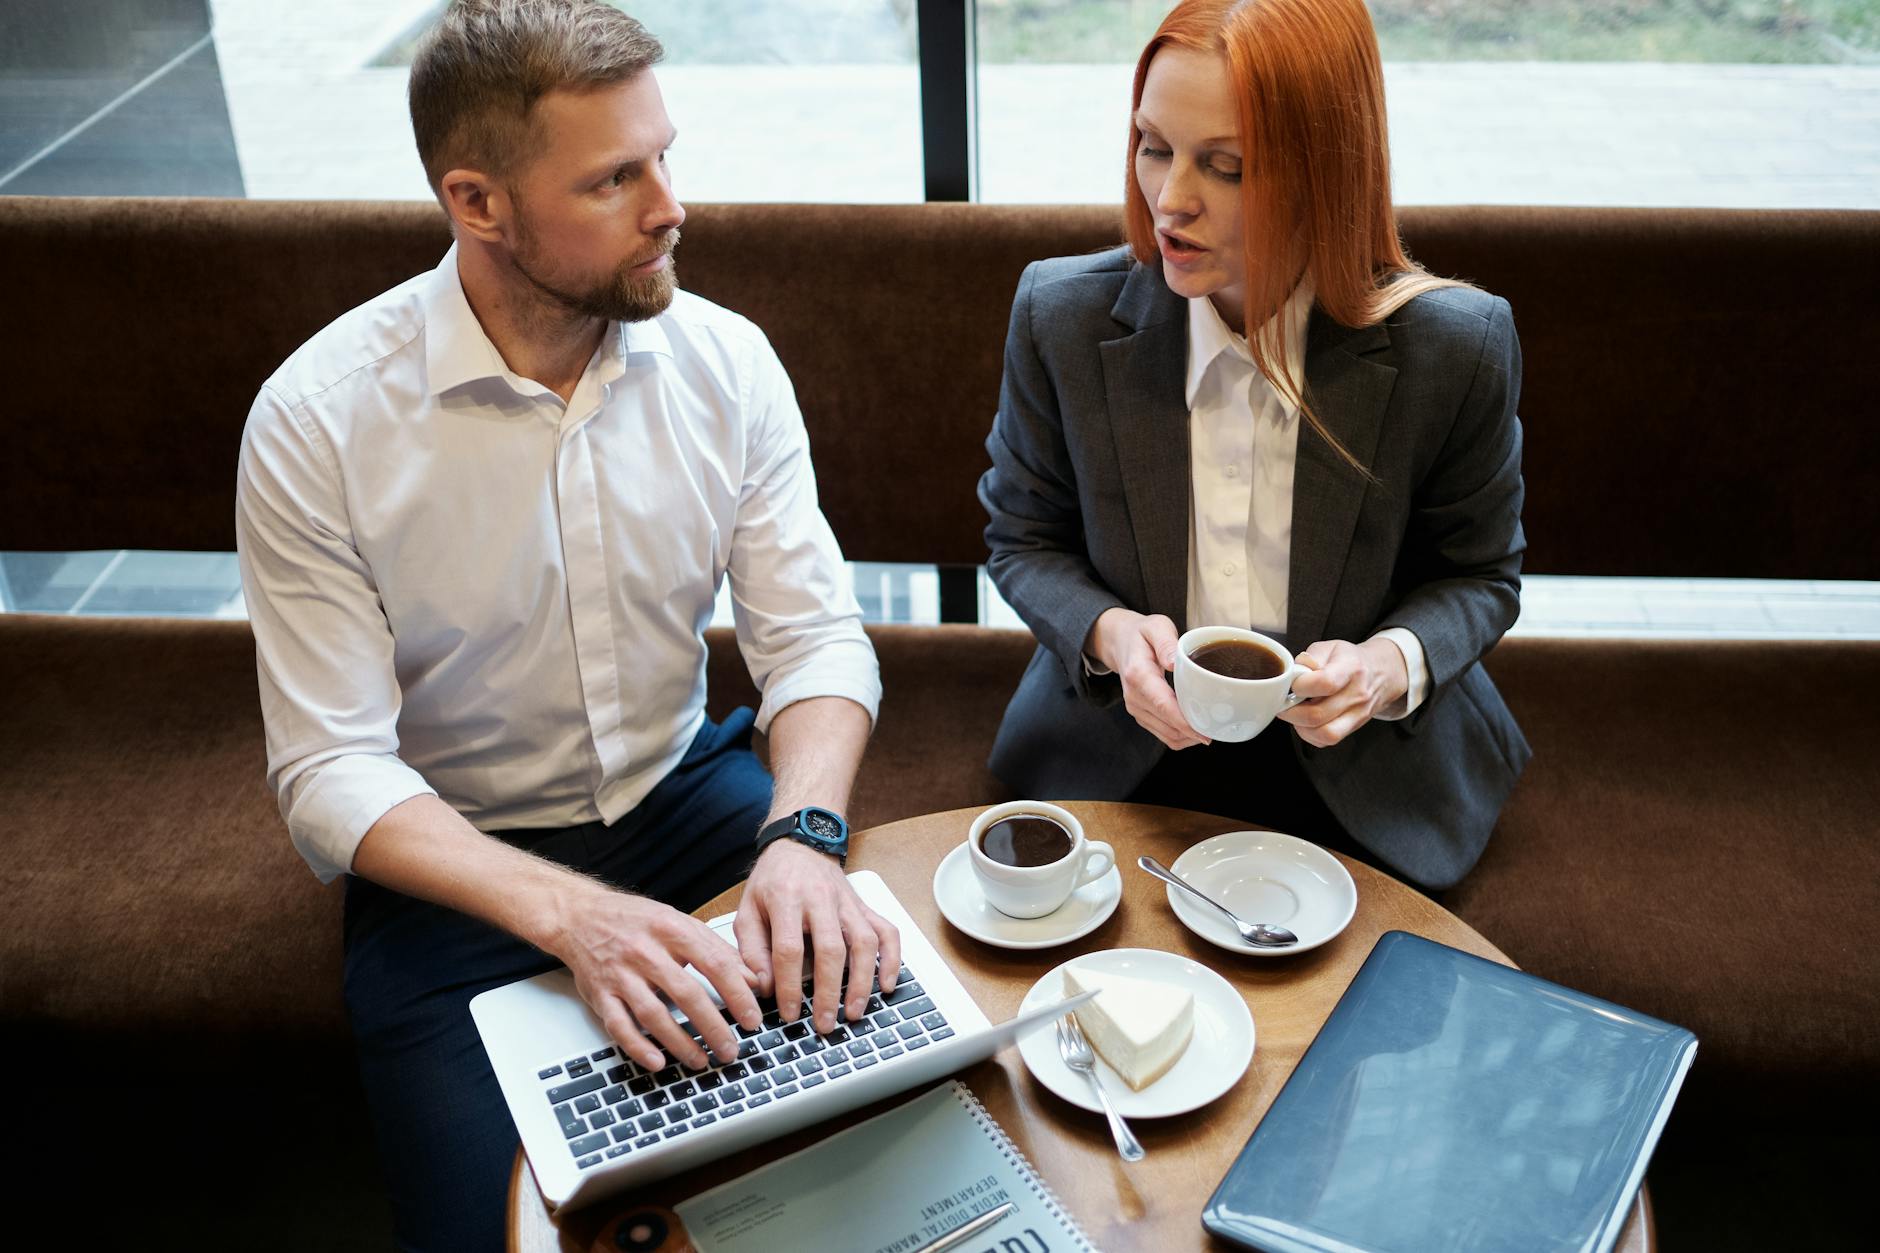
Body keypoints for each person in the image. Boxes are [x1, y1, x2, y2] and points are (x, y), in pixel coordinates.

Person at [234, 3, 895, 1248]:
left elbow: (811, 639)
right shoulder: (316, 421)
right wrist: (567, 916)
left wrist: (802, 832)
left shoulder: (728, 362)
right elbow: (327, 768)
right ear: (477, 203)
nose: (669, 206)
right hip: (460, 873)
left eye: (664, 156)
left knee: (877, 1151)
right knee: (509, 1228)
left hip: (692, 799)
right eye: (613, 178)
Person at [978, 0, 1530, 892]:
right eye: (1153, 146)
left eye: (1225, 166)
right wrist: (1114, 640)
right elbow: (1022, 538)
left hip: (1368, 768)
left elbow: (1481, 575)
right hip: (1125, 752)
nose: (1169, 199)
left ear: (1329, 172)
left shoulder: (1456, 348)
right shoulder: (1060, 317)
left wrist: (1387, 665)